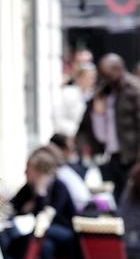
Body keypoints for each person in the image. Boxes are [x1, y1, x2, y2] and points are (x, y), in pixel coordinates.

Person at [1, 148, 76, 259]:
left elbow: (46, 218)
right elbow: (13, 208)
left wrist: (40, 195)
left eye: (29, 168)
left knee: (41, 239)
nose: (25, 172)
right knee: (43, 246)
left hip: (64, 237)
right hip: (45, 239)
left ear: (39, 171)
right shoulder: (28, 188)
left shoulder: (58, 187)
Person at [77, 53, 140, 202]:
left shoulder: (133, 90)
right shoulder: (104, 91)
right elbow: (88, 122)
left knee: (130, 198)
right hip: (111, 155)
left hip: (131, 156)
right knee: (117, 195)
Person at [49, 134, 92, 211]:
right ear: (59, 149)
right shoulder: (57, 172)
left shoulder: (63, 170)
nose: (73, 152)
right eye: (70, 148)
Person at [54, 62, 96, 137]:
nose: (91, 80)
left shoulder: (94, 95)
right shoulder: (67, 93)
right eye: (88, 77)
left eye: (93, 77)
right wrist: (75, 131)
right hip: (70, 136)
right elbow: (57, 117)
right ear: (79, 78)